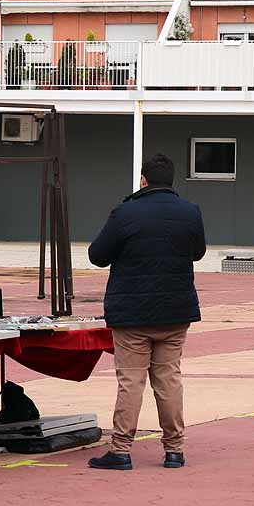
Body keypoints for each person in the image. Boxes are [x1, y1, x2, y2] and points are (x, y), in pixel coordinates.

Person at [85, 154, 206, 471]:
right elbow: (198, 252)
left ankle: (122, 451)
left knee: (131, 382)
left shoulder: (125, 213)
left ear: (143, 180)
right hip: (176, 312)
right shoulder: (190, 212)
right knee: (169, 381)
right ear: (171, 181)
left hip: (132, 313)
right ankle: (174, 450)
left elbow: (97, 255)